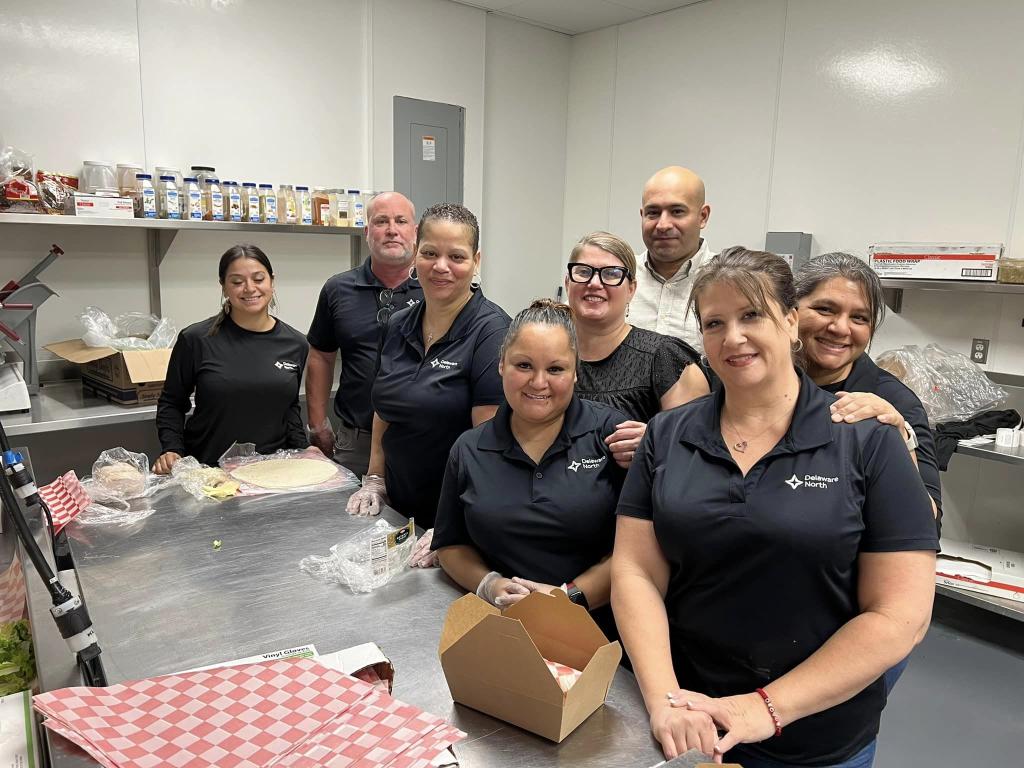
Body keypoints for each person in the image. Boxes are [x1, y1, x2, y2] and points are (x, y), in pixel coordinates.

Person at [612, 247, 938, 767]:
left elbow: (901, 615)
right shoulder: (669, 436)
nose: (732, 337)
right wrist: (667, 701)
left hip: (816, 737)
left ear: (790, 322)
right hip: (689, 727)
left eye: (751, 315)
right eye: (714, 322)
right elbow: (635, 571)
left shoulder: (868, 440)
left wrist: (765, 708)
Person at [431, 299, 628, 639]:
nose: (538, 383)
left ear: (576, 371)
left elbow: (638, 551)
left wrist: (569, 597)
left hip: (600, 632)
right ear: (500, 366)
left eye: (555, 369)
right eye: (523, 365)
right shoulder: (469, 449)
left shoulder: (613, 437)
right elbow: (450, 546)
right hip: (503, 631)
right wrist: (490, 585)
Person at [346, 203, 510, 549]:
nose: (441, 267)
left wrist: (455, 523)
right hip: (398, 508)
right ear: (415, 255)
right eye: (430, 253)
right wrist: (375, 479)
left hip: (456, 516)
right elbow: (384, 410)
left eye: (457, 256)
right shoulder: (397, 324)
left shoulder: (492, 332)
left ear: (476, 261)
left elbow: (489, 442)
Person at [794, 252, 941, 524]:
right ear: (790, 312)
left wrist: (899, 439)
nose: (840, 328)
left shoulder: (896, 402)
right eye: (825, 309)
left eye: (859, 318)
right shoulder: (758, 382)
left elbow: (928, 521)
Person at [154, 244, 309, 472]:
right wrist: (172, 449)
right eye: (237, 282)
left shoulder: (295, 343)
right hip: (207, 471)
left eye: (258, 279)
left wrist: (303, 449)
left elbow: (289, 407)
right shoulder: (196, 339)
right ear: (224, 287)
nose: (249, 288)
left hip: (272, 471)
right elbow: (172, 402)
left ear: (272, 282)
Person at [305, 191, 423, 476]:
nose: (392, 230)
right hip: (356, 443)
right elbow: (321, 356)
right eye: (381, 221)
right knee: (353, 518)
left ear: (415, 232)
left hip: (423, 440)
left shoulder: (438, 290)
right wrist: (318, 424)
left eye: (401, 221)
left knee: (418, 521)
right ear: (367, 231)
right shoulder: (338, 290)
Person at [566, 231, 706, 468]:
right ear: (568, 282)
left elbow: (701, 447)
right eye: (583, 271)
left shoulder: (665, 357)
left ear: (631, 288)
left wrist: (656, 444)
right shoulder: (550, 355)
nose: (594, 283)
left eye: (611, 274)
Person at [630, 166, 714, 349]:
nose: (663, 225)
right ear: (642, 215)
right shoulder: (615, 279)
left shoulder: (730, 282)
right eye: (653, 212)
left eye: (677, 211)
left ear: (703, 216)